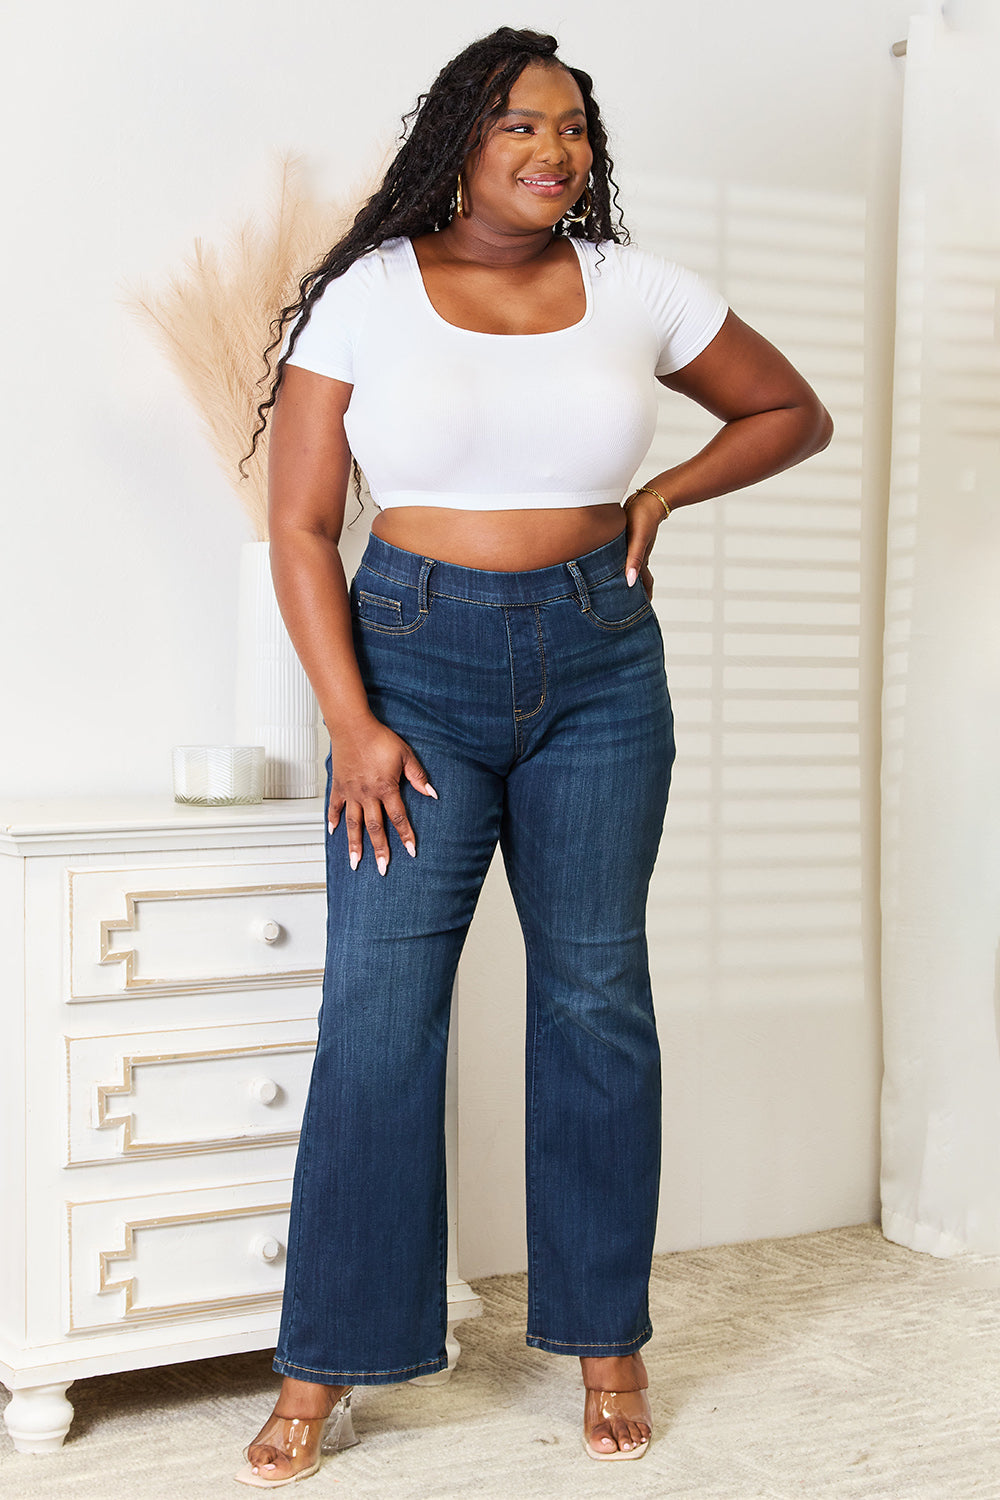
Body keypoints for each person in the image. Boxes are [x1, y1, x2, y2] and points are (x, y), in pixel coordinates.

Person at [235, 25, 832, 1486]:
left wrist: (667, 493)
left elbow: (790, 411)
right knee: (379, 1018)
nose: (550, 151)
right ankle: (328, 1358)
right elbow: (303, 525)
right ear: (460, 139)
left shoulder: (637, 288)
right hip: (410, 670)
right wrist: (355, 721)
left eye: (570, 128)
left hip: (599, 667)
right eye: (517, 124)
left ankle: (605, 1338)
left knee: (594, 1001)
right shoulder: (370, 296)